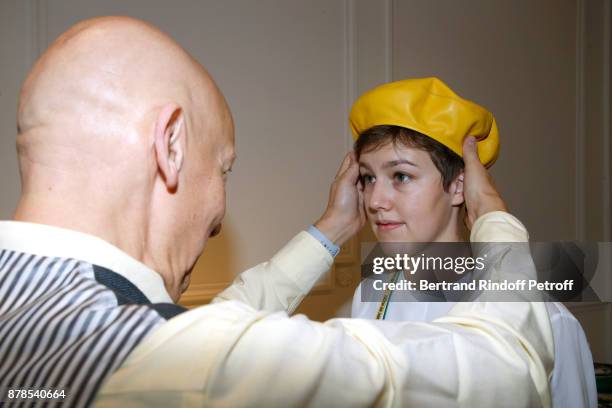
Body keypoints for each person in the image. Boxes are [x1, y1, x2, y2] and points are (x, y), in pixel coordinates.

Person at [0, 16, 550, 407]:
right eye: (223, 170)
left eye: (401, 176)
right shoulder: (144, 358)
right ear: (169, 147)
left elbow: (204, 328)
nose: (220, 213)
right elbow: (509, 366)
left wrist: (333, 228)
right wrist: (494, 216)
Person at [349, 78, 598, 408]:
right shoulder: (371, 297)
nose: (375, 200)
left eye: (401, 176)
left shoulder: (545, 322)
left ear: (458, 187)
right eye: (368, 178)